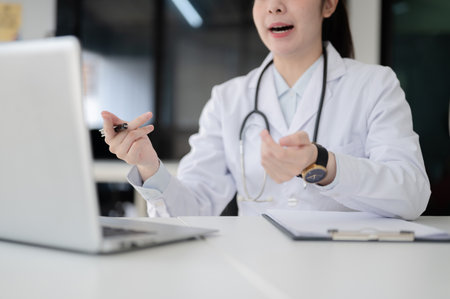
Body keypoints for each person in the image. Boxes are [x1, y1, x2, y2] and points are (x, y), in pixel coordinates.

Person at [100, 0, 430, 220]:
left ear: (328, 4)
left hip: (348, 273)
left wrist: (323, 164)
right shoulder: (228, 99)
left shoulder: (374, 85)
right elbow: (192, 211)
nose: (274, 6)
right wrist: (148, 165)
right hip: (257, 271)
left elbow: (412, 194)